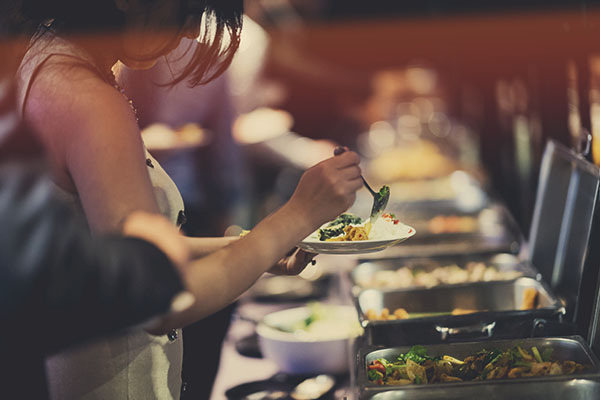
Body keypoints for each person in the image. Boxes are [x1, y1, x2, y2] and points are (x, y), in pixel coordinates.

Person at [7, 1, 363, 399]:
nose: (193, 32)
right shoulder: (85, 96)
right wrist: (297, 215)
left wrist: (256, 245)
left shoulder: (43, 60)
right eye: (191, 10)